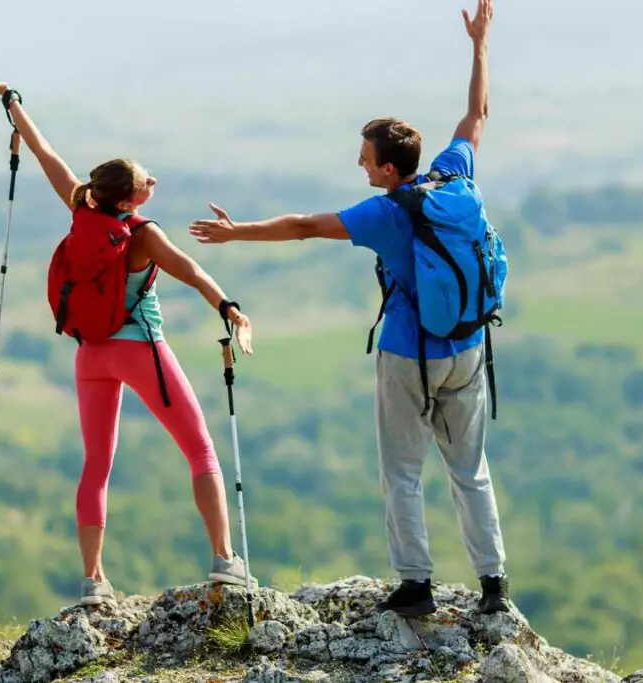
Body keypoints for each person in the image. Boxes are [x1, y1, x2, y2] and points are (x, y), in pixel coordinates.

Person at [187, 0, 509, 617]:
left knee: (403, 473)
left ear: (389, 169)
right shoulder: (455, 176)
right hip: (469, 346)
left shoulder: (386, 213)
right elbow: (477, 114)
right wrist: (480, 46)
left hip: (408, 353)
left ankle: (416, 584)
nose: (360, 165)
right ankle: (493, 585)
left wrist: (236, 234)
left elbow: (305, 226)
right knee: (471, 469)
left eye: (365, 159)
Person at [0, 76, 258, 606]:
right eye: (147, 181)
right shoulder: (141, 235)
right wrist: (230, 308)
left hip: (90, 355)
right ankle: (225, 561)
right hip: (142, 349)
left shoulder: (82, 207)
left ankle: (93, 581)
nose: (154, 182)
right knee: (199, 448)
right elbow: (189, 271)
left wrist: (13, 105)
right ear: (129, 197)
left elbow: (45, 154)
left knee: (96, 464)